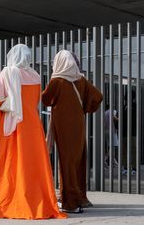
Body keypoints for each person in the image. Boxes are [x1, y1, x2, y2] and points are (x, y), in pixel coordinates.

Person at [0, 44, 66, 219]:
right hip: (33, 125)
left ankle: (9, 200)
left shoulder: (7, 72)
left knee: (10, 162)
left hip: (12, 125)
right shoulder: (35, 75)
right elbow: (35, 100)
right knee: (32, 164)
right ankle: (34, 200)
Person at [42, 50, 103, 213]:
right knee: (77, 160)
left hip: (63, 125)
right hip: (78, 125)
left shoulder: (57, 81)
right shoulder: (81, 80)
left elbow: (45, 99)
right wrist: (84, 108)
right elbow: (98, 97)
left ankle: (70, 202)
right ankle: (79, 196)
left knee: (66, 161)